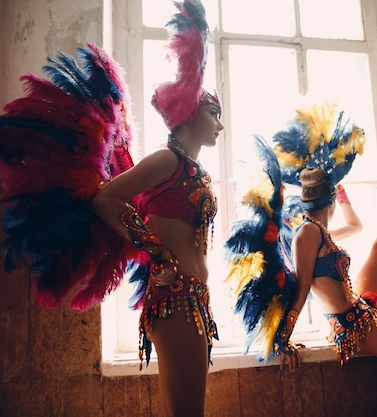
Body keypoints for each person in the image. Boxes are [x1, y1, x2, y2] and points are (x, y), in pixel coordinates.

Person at [92, 2, 222, 416]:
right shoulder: (167, 160)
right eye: (213, 113)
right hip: (175, 297)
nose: (219, 124)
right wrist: (156, 251)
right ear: (188, 109)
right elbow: (105, 200)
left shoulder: (189, 165)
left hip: (191, 298)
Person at [277, 144, 377, 378]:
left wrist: (340, 191)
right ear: (330, 204)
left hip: (358, 310)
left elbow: (356, 226)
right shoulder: (308, 232)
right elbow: (302, 290)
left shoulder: (319, 230)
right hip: (354, 327)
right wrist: (283, 340)